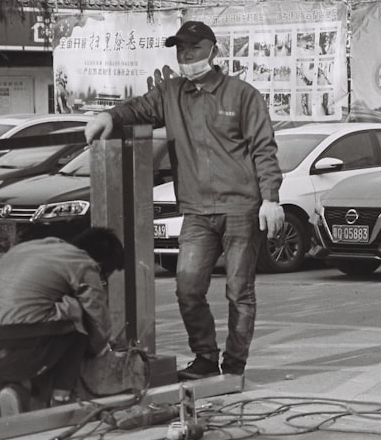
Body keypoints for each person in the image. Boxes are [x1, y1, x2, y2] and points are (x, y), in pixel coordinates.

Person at [84, 20, 284, 381]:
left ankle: (234, 366)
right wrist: (107, 117)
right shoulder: (170, 93)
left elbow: (263, 149)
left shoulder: (241, 94)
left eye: (193, 48)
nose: (186, 56)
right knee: (187, 287)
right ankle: (205, 358)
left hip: (241, 208)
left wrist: (271, 198)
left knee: (239, 292)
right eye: (180, 50)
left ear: (213, 50)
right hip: (196, 212)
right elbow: (138, 110)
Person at [0, 228, 125, 414]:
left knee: (45, 322)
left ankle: (19, 391)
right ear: (100, 264)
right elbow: (98, 323)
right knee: (75, 316)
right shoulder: (81, 261)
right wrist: (99, 349)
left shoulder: (22, 250)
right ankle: (60, 398)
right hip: (20, 352)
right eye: (103, 278)